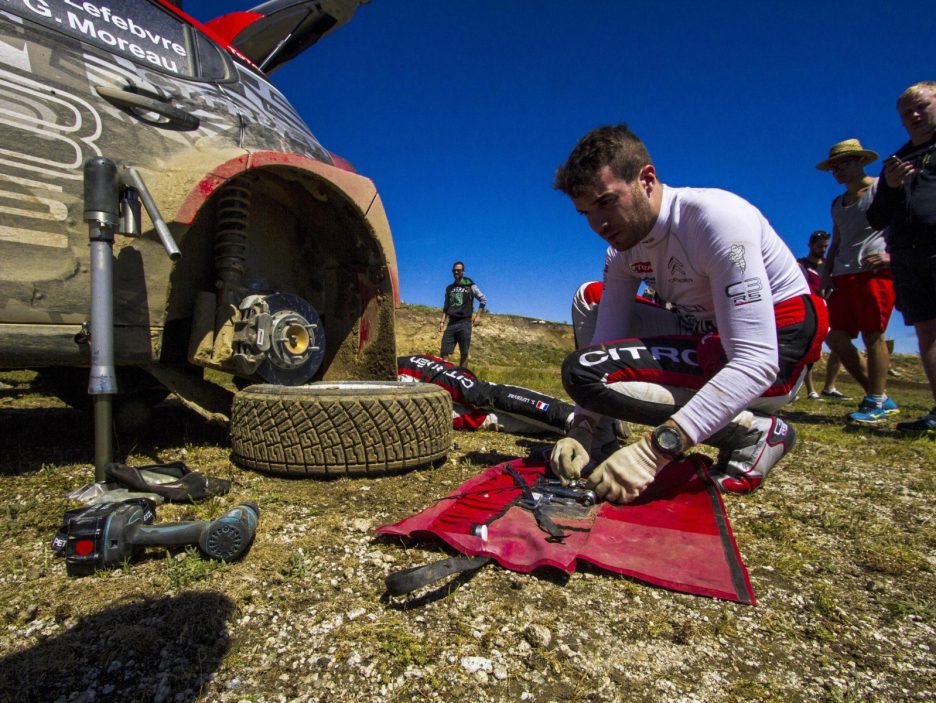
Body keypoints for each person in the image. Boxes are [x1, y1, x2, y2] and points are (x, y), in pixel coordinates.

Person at [550, 124, 827, 503]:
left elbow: (757, 362)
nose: (598, 225)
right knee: (591, 306)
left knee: (591, 376)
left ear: (647, 179)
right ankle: (600, 439)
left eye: (606, 202)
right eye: (585, 213)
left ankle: (756, 432)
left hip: (778, 343)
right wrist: (581, 428)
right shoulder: (622, 249)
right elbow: (605, 340)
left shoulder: (716, 219)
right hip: (705, 333)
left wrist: (655, 450)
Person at [867, 81, 936, 437]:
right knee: (927, 331)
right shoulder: (897, 161)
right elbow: (877, 218)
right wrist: (891, 187)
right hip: (908, 254)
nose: (914, 115)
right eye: (907, 112)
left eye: (921, 106)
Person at [816, 139, 898, 423]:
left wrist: (891, 256)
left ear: (861, 161)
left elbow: (907, 224)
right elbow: (836, 242)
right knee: (835, 336)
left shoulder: (883, 188)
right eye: (834, 167)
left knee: (873, 335)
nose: (838, 170)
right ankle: (878, 396)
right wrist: (826, 274)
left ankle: (875, 401)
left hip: (873, 272)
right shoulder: (838, 203)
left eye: (845, 163)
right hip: (841, 275)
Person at [397, 354, 575, 434]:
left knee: (481, 394)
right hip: (409, 387)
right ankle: (577, 427)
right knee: (485, 418)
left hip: (415, 370)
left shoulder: (402, 364)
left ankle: (570, 415)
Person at [796, 230, 843, 400]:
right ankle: (810, 389)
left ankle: (830, 386)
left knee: (839, 345)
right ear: (810, 245)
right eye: (819, 246)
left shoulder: (829, 266)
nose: (822, 249)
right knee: (810, 348)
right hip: (810, 309)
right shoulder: (800, 265)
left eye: (825, 246)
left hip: (829, 308)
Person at [438, 261, 487, 367]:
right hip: (451, 323)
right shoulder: (449, 288)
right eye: (454, 270)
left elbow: (483, 299)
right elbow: (446, 306)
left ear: (463, 271)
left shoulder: (469, 285)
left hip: (464, 322)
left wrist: (478, 316)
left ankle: (463, 376)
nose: (456, 272)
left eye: (458, 270)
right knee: (444, 350)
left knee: (464, 352)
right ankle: (444, 374)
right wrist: (442, 321)